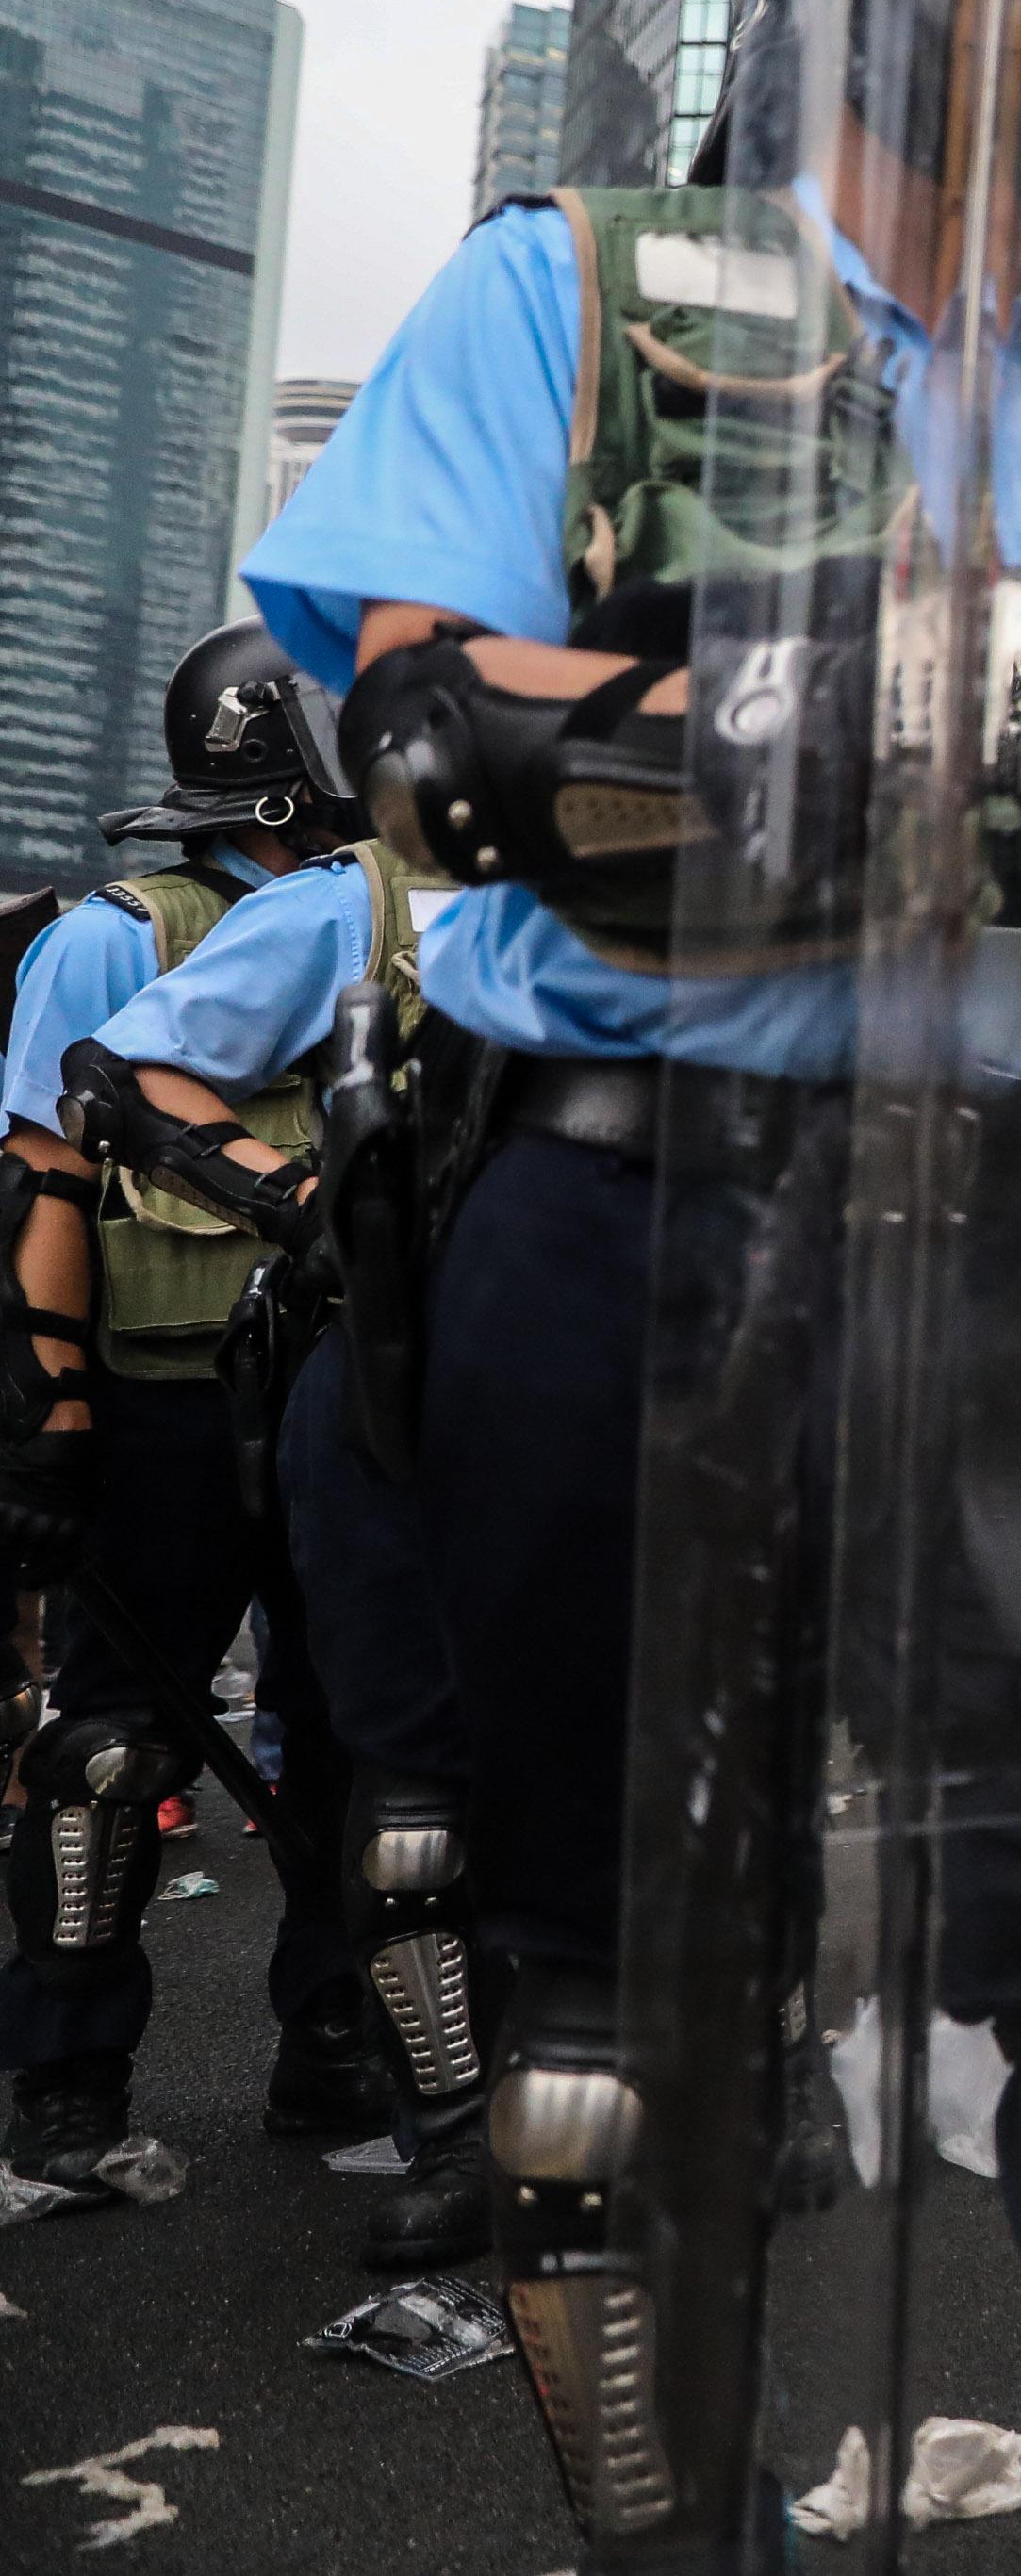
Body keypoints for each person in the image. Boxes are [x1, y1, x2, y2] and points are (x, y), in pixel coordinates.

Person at [240, 0, 1021, 2562]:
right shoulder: (584, 294)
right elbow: (434, 735)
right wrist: (896, 705)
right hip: (640, 1239)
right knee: (613, 2065)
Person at [0, 624, 380, 2197]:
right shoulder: (115, 938)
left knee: (355, 1740)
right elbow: (43, 1171)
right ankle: (71, 2081)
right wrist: (53, 1412)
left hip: (334, 1401)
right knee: (106, 1747)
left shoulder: (373, 922)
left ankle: (333, 2044)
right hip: (160, 1403)